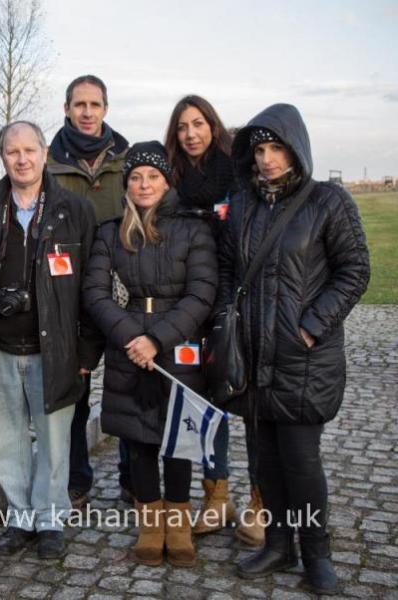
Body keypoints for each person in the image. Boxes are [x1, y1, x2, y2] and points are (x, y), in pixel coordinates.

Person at [221, 104, 369, 594]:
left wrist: (311, 326)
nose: (266, 159)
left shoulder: (328, 201)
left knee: (302, 462)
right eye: (259, 150)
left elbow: (354, 271)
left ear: (295, 148)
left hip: (304, 357)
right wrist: (229, 320)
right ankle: (278, 544)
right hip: (253, 354)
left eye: (275, 148)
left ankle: (316, 552)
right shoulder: (242, 204)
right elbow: (228, 270)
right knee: (264, 461)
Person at [0, 121, 100, 559]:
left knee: (55, 443)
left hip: (56, 352)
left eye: (29, 149)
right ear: (2, 157)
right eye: (12, 151)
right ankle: (20, 518)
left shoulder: (75, 211)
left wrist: (87, 352)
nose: (22, 159)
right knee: (7, 441)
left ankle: (51, 521)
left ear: (45, 151)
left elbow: (93, 289)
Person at [82, 141, 217, 567]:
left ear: (166, 181)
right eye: (136, 177)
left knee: (177, 441)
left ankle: (178, 523)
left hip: (178, 346)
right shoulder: (109, 232)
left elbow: (202, 293)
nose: (144, 184)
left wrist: (157, 340)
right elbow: (96, 293)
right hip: (128, 349)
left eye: (152, 176)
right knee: (138, 440)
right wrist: (132, 339)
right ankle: (150, 523)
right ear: (127, 184)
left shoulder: (193, 230)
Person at [164, 94, 264, 546]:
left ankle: (261, 500)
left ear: (213, 125)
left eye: (198, 123)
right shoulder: (174, 181)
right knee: (211, 402)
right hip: (197, 303)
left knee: (259, 405)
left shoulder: (238, 173)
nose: (191, 133)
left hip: (246, 300)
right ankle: (216, 492)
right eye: (183, 126)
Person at [47, 75, 132, 508]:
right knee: (74, 391)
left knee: (130, 385)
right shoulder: (49, 161)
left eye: (94, 104)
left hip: (119, 290)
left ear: (105, 109)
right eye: (78, 104)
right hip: (67, 292)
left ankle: (135, 481)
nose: (86, 112)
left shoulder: (126, 158)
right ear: (66, 108)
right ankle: (76, 478)